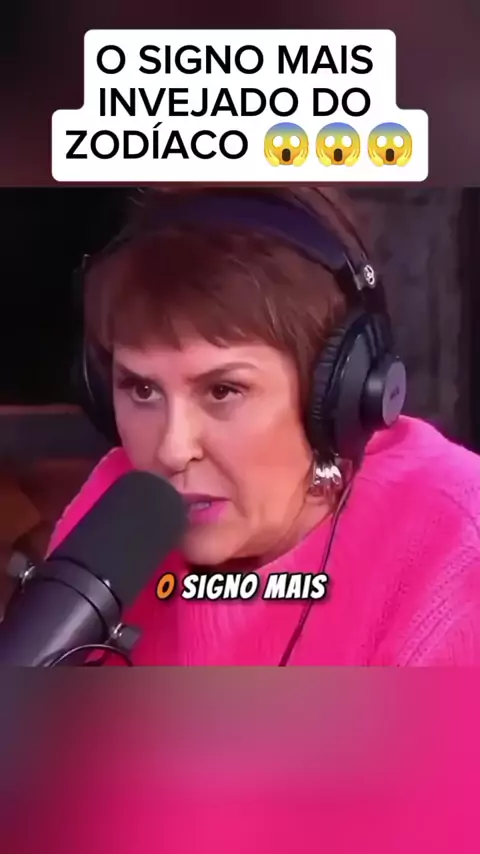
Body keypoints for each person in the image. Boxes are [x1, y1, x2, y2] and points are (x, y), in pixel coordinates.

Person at [48, 185, 480, 666]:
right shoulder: (114, 516)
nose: (172, 449)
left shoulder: (455, 551)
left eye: (223, 391)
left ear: (335, 394)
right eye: (143, 390)